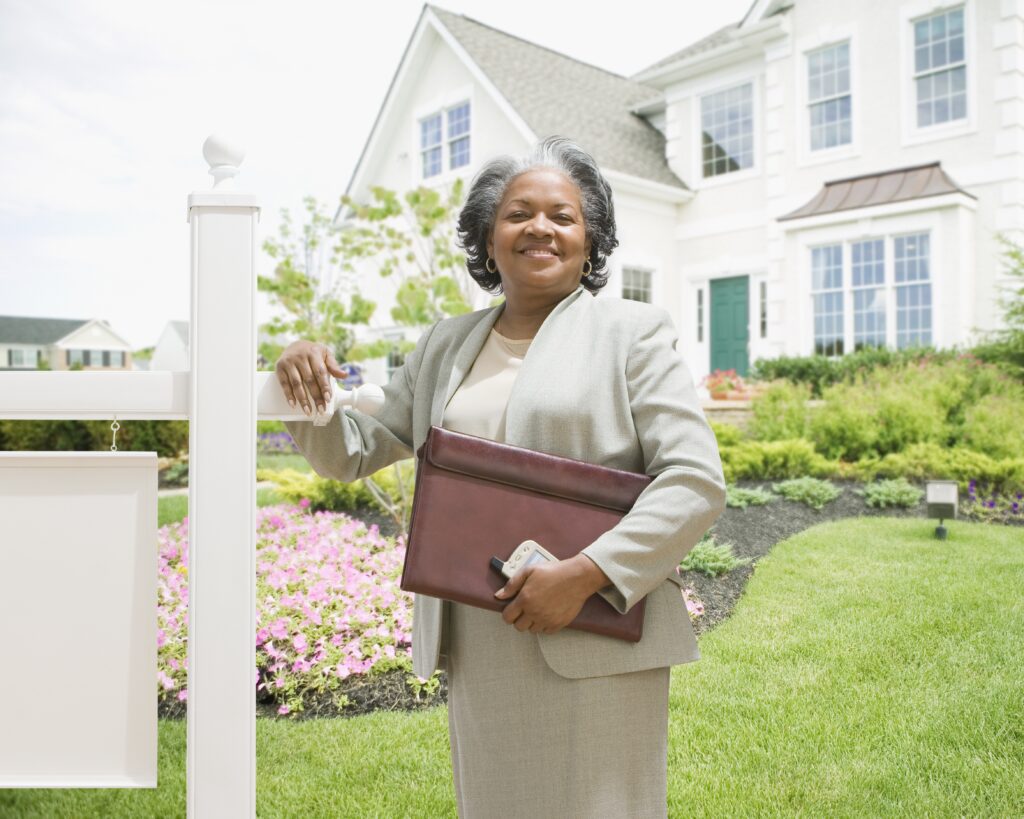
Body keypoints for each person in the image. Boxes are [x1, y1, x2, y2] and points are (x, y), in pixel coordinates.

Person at [277, 136, 726, 818]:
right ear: (488, 239)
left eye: (563, 216)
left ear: (589, 240)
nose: (540, 227)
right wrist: (303, 382)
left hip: (594, 624)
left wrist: (585, 574)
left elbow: (693, 479)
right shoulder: (444, 343)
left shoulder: (633, 332)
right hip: (483, 639)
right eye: (519, 213)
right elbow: (355, 450)